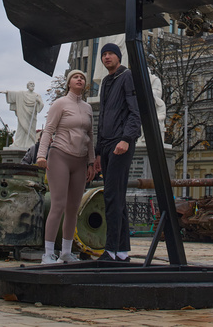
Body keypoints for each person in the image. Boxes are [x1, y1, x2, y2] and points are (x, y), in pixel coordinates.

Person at [36, 69, 96, 264]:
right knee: (58, 204)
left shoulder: (87, 108)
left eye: (82, 78)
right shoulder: (60, 104)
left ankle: (66, 252)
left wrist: (91, 162)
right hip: (60, 155)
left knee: (73, 207)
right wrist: (41, 155)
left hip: (80, 161)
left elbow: (90, 137)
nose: (79, 79)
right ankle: (48, 252)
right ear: (69, 82)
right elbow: (48, 131)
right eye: (76, 77)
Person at [94, 42, 141, 261]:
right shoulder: (105, 81)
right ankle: (122, 251)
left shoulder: (126, 76)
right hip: (106, 144)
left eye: (110, 53)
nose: (106, 57)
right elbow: (103, 116)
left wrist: (126, 138)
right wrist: (97, 151)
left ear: (118, 56)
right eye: (103, 54)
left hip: (120, 144)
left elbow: (135, 111)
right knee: (117, 197)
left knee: (112, 196)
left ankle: (110, 249)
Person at [0, 82, 43, 149]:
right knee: (21, 128)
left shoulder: (37, 95)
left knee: (31, 129)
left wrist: (39, 101)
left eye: (33, 85)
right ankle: (18, 143)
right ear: (27, 86)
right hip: (23, 114)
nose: (32, 86)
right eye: (30, 85)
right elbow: (15, 95)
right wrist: (7, 92)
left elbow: (41, 106)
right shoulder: (22, 94)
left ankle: (30, 143)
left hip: (32, 116)